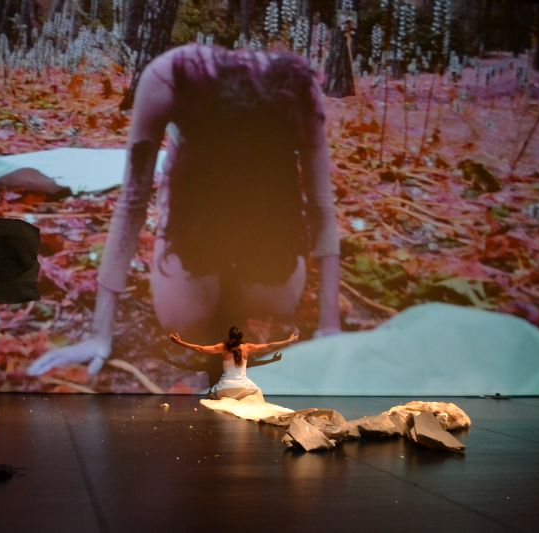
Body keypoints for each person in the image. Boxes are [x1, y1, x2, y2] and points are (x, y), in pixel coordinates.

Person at [28, 43, 339, 378]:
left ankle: (182, 165)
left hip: (248, 245)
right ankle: (186, 174)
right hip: (243, 249)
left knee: (231, 307)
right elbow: (320, 205)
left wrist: (330, 329)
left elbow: (133, 201)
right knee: (187, 315)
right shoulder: (175, 78)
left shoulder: (169, 76)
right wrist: (329, 328)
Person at [169, 327, 298, 399]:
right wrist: (288, 341)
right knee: (256, 396)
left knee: (212, 395)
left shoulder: (223, 347)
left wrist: (179, 342)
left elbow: (200, 349)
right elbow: (269, 346)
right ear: (241, 338)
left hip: (226, 388)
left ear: (230, 336)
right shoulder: (247, 347)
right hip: (244, 388)